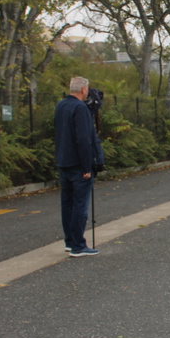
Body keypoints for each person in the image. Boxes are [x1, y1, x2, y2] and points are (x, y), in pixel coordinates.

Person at [54, 76, 101, 257]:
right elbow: (83, 139)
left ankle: (69, 241)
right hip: (78, 164)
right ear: (83, 89)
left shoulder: (61, 105)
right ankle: (78, 245)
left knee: (67, 204)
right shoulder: (80, 108)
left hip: (63, 161)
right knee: (80, 205)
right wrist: (87, 166)